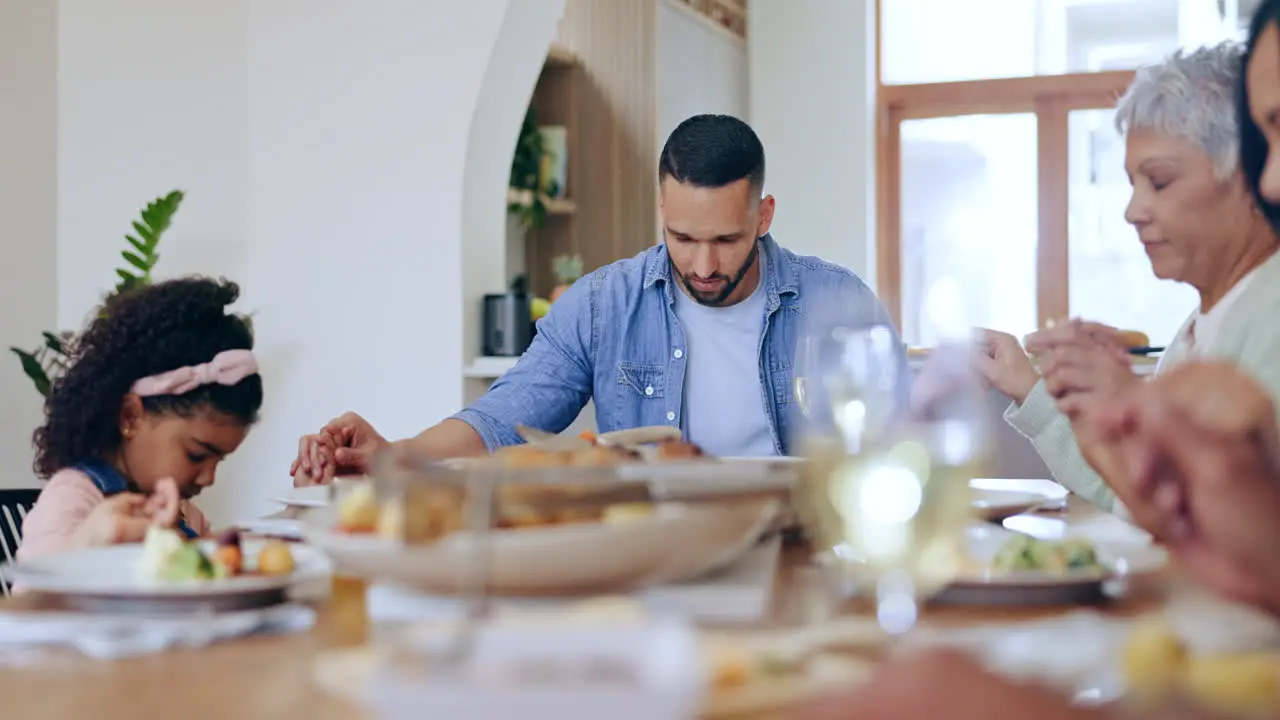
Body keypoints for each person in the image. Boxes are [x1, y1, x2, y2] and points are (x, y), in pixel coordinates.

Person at [293, 114, 903, 482]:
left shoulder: (838, 303)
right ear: (661, 209)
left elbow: (896, 447)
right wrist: (395, 454)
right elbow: (503, 421)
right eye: (683, 238)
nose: (703, 265)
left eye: (726, 239)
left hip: (799, 550)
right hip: (651, 553)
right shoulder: (602, 304)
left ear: (763, 215)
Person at [974, 42, 1280, 517]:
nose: (1133, 211)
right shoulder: (1201, 325)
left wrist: (1131, 402)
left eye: (1159, 182)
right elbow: (1136, 501)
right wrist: (1035, 387)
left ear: (1248, 176)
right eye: (1132, 184)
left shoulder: (1270, 314)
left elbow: (1235, 527)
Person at [18, 278, 263, 560]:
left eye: (219, 460)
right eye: (197, 455)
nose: (209, 478)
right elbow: (29, 600)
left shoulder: (185, 515)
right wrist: (86, 547)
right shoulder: (71, 502)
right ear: (130, 416)